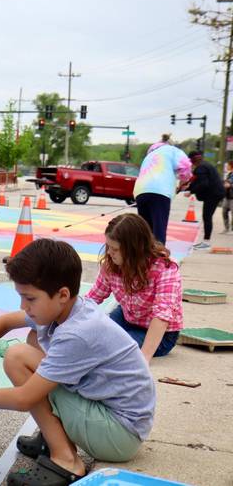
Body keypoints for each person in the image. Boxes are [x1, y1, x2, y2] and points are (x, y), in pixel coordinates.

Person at [0, 239, 154, 485]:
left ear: (62, 295)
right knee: (33, 338)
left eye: (30, 299)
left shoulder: (76, 333)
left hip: (118, 434)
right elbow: (4, 323)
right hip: (114, 419)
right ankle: (53, 435)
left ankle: (66, 460)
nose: (23, 306)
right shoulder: (70, 308)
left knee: (17, 358)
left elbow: (25, 398)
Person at [86, 214, 183, 362]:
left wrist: (145, 356)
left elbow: (162, 316)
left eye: (115, 249)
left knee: (112, 347)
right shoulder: (111, 265)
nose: (110, 253)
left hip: (160, 334)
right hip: (127, 317)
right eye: (108, 246)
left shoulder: (165, 268)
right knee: (92, 338)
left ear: (135, 249)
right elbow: (93, 297)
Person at [133, 138, 191, 244]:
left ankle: (144, 257)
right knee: (159, 228)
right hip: (159, 192)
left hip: (140, 191)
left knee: (145, 230)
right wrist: (183, 182)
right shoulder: (172, 150)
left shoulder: (149, 156)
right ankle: (159, 258)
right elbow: (186, 166)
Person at [184, 150, 225, 249]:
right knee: (207, 216)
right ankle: (205, 241)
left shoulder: (200, 168)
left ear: (192, 160)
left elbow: (203, 184)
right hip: (216, 192)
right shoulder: (205, 165)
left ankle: (206, 242)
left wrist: (191, 191)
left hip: (213, 194)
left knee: (207, 216)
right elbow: (198, 181)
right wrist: (189, 188)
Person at [222, 160, 233, 233]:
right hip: (227, 196)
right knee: (224, 212)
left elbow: (229, 184)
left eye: (228, 165)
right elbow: (225, 182)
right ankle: (226, 228)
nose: (227, 166)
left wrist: (230, 185)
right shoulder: (228, 174)